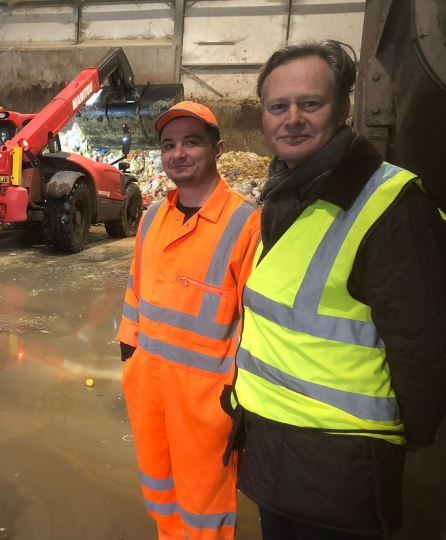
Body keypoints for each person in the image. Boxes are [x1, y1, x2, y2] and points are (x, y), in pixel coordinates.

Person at [223, 40, 446, 539]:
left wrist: (398, 439)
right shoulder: (285, 196)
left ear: (343, 108)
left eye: (310, 103)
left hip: (344, 472)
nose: (292, 118)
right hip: (275, 457)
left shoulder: (391, 205)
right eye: (278, 106)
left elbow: (425, 350)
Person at [118, 101, 261, 540]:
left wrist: (243, 404)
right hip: (149, 392)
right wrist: (131, 364)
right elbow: (134, 300)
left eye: (191, 142)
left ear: (218, 149)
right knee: (160, 498)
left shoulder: (245, 224)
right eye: (169, 144)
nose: (178, 153)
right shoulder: (151, 219)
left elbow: (258, 325)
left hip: (208, 404)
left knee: (205, 515)